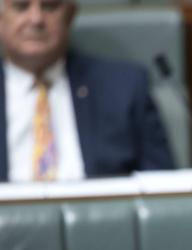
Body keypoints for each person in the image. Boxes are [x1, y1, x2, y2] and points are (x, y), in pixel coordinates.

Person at [0, 0, 174, 182]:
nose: (36, 19)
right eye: (21, 7)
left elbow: (163, 188)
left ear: (70, 15)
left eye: (49, 6)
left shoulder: (123, 87)